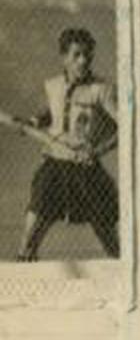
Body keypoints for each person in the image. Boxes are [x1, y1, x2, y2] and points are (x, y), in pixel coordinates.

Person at [16, 28, 118, 261]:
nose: (83, 61)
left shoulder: (101, 90)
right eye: (76, 55)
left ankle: (123, 273)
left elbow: (126, 126)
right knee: (31, 231)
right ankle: (25, 267)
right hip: (54, 164)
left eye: (87, 55)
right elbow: (54, 111)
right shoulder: (52, 85)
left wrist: (98, 151)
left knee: (109, 237)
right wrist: (33, 121)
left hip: (86, 169)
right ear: (64, 57)